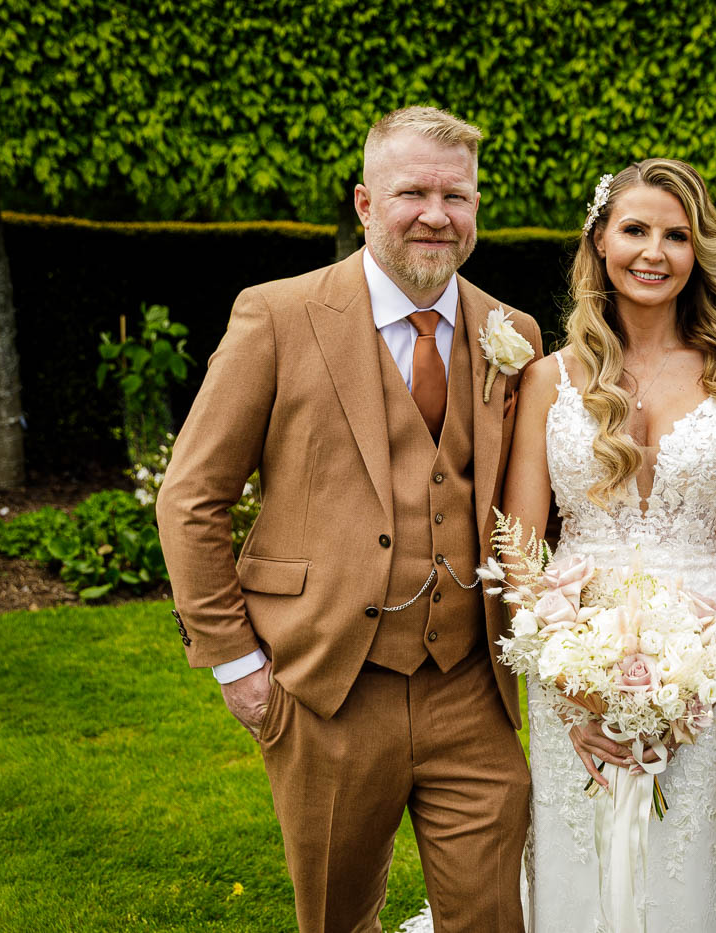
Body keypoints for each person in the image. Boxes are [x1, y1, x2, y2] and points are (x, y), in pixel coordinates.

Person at [156, 106, 540, 933]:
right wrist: (237, 666)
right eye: (413, 192)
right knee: (336, 918)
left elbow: (526, 502)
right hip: (326, 685)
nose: (437, 214)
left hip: (469, 684)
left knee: (494, 916)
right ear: (366, 204)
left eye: (458, 195)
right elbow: (191, 497)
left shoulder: (515, 334)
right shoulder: (277, 315)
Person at [499, 159, 716, 931]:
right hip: (567, 650)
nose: (654, 251)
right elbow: (521, 546)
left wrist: (707, 666)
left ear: (699, 252)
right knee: (574, 840)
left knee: (679, 848)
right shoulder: (547, 379)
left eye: (677, 235)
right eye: (635, 230)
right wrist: (571, 676)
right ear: (600, 240)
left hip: (705, 651)